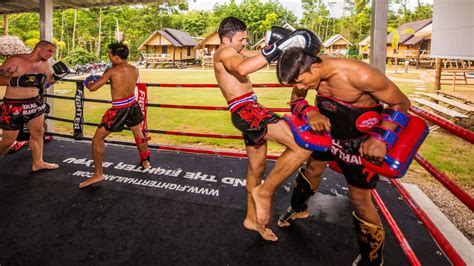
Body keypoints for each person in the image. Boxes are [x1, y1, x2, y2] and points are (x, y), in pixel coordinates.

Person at [276, 47, 411, 265]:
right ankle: (298, 209)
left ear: (316, 67)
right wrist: (310, 112)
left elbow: (401, 103)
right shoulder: (309, 72)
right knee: (311, 169)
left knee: (359, 199)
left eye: (301, 81)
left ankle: (373, 259)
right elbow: (296, 99)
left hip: (360, 143)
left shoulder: (360, 75)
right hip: (328, 133)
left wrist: (380, 138)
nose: (300, 87)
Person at [213, 17, 323, 241]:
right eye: (242, 39)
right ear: (227, 38)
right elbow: (243, 68)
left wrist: (284, 46)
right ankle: (265, 192)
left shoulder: (234, 52)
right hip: (248, 112)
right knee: (302, 145)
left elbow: (263, 56)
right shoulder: (224, 52)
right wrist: (280, 47)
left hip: (248, 110)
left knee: (256, 168)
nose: (245, 43)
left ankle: (252, 220)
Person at [79, 42, 151, 189]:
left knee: (97, 140)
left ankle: (98, 174)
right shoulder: (134, 69)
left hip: (119, 109)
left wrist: (88, 80)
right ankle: (146, 162)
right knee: (138, 133)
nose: (109, 56)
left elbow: (93, 88)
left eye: (110, 54)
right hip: (133, 105)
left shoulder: (112, 72)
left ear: (116, 57)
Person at [0, 40, 67, 171]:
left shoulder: (45, 65)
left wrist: (57, 77)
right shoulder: (15, 60)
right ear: (39, 49)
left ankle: (38, 163)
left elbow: (47, 82)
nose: (51, 55)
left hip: (35, 103)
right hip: (14, 105)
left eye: (53, 52)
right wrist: (18, 80)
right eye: (49, 51)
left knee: (38, 133)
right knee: (8, 141)